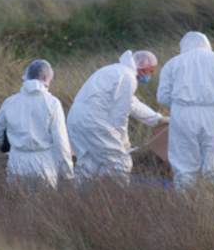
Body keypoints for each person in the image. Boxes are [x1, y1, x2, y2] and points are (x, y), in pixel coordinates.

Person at [67, 50, 168, 184]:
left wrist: (157, 119)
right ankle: (120, 195)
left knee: (88, 163)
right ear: (143, 65)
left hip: (75, 118)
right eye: (151, 71)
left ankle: (80, 195)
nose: (149, 75)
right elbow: (121, 112)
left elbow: (132, 103)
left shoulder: (114, 70)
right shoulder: (128, 77)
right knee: (120, 162)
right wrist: (122, 140)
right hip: (94, 120)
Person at [157, 32, 214, 189]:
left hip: (182, 115)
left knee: (184, 164)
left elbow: (163, 97)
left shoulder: (172, 63)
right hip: (212, 114)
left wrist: (179, 106)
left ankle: (186, 200)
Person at [0, 59, 74, 188]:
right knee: (44, 200)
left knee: (17, 199)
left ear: (27, 76)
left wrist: (13, 142)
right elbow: (61, 142)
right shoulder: (52, 103)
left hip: (16, 163)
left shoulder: (11, 101)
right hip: (44, 165)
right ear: (46, 78)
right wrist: (68, 174)